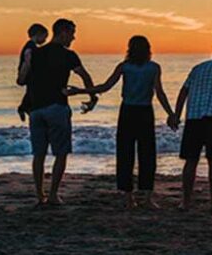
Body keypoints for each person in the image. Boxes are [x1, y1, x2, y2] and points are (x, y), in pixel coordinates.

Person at [66, 35, 175, 209]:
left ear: (130, 49)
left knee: (125, 153)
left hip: (128, 112)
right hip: (145, 112)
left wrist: (81, 91)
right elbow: (160, 93)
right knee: (147, 154)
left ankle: (128, 198)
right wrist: (171, 113)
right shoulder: (153, 67)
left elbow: (105, 87)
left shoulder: (124, 67)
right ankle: (146, 198)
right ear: (148, 49)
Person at [16, 18, 98, 205]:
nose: (74, 37)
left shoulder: (35, 53)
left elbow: (22, 80)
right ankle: (52, 195)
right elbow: (84, 75)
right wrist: (92, 98)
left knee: (39, 154)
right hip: (56, 108)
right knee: (60, 153)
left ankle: (39, 196)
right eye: (71, 33)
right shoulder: (68, 55)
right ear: (62, 32)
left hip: (36, 110)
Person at [171, 44, 212, 211]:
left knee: (190, 160)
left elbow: (183, 92)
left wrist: (176, 115)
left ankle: (185, 201)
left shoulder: (198, 68)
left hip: (194, 117)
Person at [16, 23, 49, 122]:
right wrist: (22, 76)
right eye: (44, 37)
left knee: (30, 91)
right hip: (29, 72)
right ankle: (23, 108)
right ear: (38, 34)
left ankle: (24, 108)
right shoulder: (30, 46)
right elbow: (27, 60)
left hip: (29, 72)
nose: (45, 40)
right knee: (31, 91)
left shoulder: (30, 45)